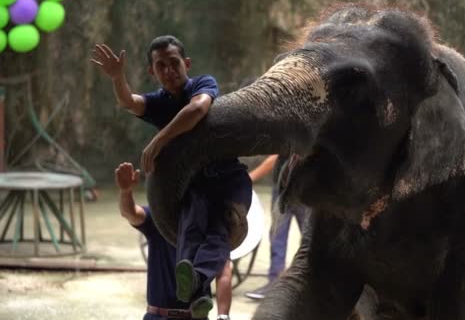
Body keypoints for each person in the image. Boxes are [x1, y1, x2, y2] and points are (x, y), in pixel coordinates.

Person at [92, 35, 251, 319]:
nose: (169, 70)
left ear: (186, 63)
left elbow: (198, 109)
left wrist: (159, 140)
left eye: (174, 63)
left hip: (227, 182)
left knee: (218, 233)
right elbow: (129, 101)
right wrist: (117, 77)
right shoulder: (158, 102)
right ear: (152, 72)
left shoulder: (203, 84)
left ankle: (200, 295)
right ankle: (198, 292)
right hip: (195, 184)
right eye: (160, 66)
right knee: (188, 230)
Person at [115, 162, 234, 320]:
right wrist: (125, 191)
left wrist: (223, 316)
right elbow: (130, 213)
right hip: (158, 315)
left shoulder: (211, 225)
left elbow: (224, 272)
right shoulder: (160, 219)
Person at [244, 154, 308, 300]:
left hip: (303, 190)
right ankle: (275, 282)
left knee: (309, 239)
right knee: (277, 235)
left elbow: (273, 158)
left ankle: (312, 284)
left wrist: (248, 178)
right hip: (282, 188)